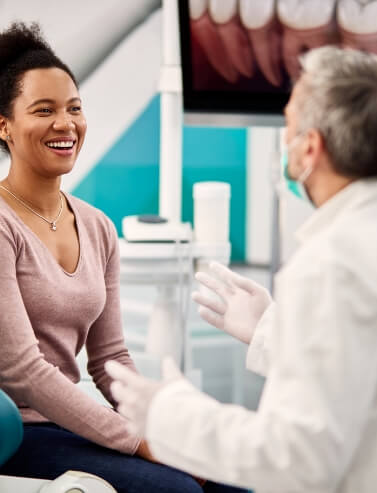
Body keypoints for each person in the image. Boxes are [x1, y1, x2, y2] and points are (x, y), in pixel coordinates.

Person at [0, 21, 246, 493]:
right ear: (1, 124)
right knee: (179, 491)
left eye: (74, 108)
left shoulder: (96, 226)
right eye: (44, 110)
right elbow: (24, 374)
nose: (65, 123)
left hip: (66, 422)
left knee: (233, 481)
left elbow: (110, 356)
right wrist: (138, 441)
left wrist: (160, 423)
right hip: (6, 434)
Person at [106, 45, 377, 493]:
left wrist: (171, 415)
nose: (285, 144)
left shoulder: (331, 263)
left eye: (289, 127)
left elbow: (297, 458)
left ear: (310, 148)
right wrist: (274, 332)